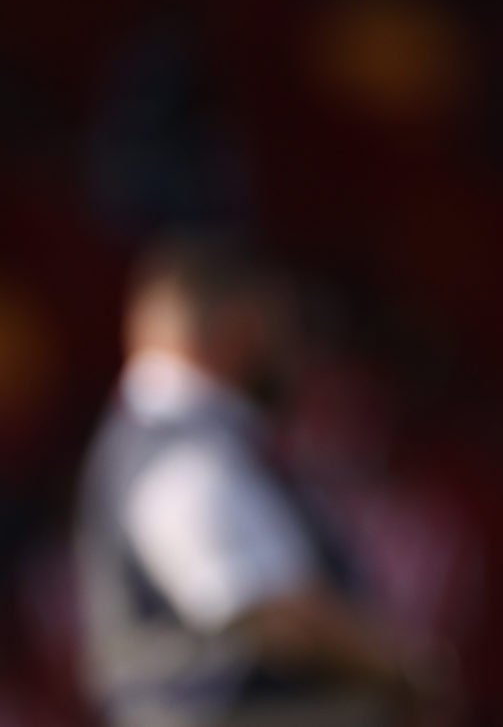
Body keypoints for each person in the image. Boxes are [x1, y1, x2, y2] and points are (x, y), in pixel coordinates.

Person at [74, 235, 437, 726]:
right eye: (280, 325)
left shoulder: (175, 439)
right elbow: (276, 614)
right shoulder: (180, 455)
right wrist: (404, 670)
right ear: (236, 327)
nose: (293, 349)